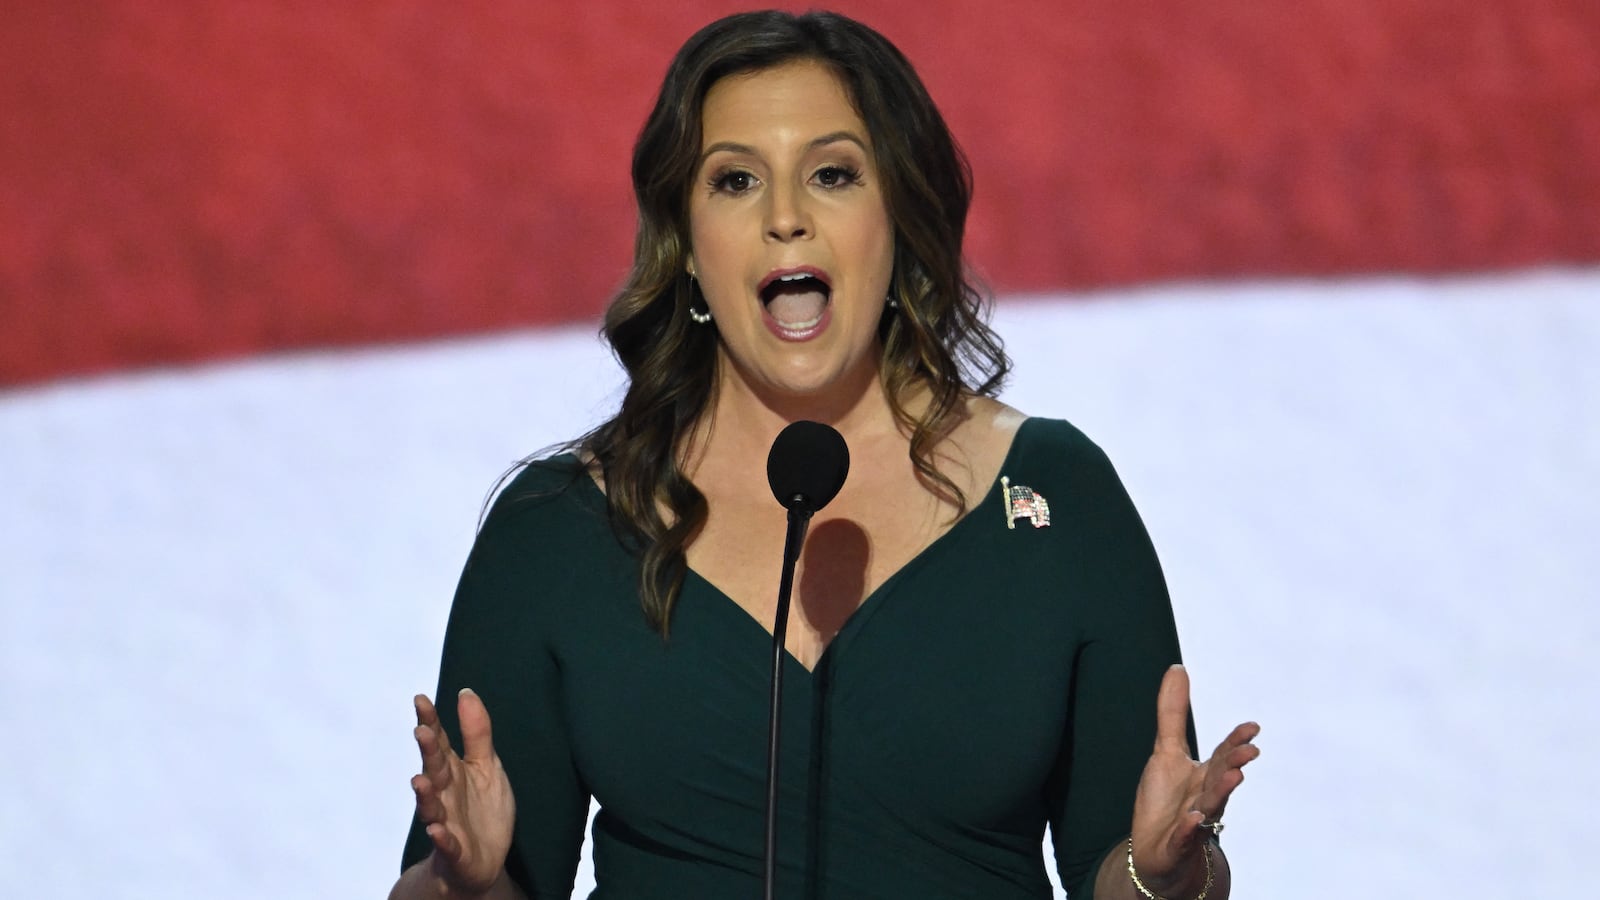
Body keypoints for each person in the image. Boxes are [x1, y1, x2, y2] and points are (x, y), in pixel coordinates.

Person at [390, 10, 1259, 900]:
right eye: (734, 181)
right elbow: (464, 881)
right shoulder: (562, 529)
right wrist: (458, 885)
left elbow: (1127, 871)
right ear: (686, 246)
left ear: (898, 218)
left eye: (833, 174)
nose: (785, 219)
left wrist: (1168, 873)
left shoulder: (1053, 499)